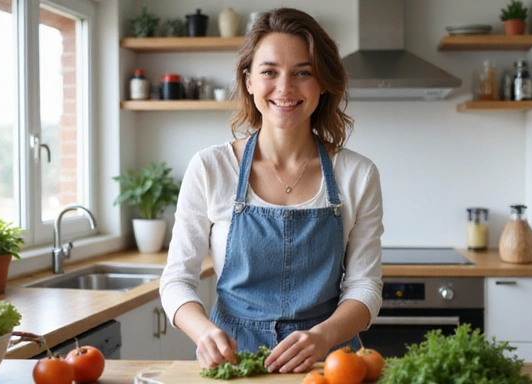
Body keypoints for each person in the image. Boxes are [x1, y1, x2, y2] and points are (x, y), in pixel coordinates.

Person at [159, 7, 384, 374]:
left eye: (303, 73)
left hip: (330, 364)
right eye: (269, 72)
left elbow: (365, 288)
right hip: (235, 364)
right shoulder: (211, 168)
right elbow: (176, 280)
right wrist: (204, 333)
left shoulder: (357, 174)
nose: (285, 88)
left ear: (323, 82)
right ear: (248, 81)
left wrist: (324, 336)